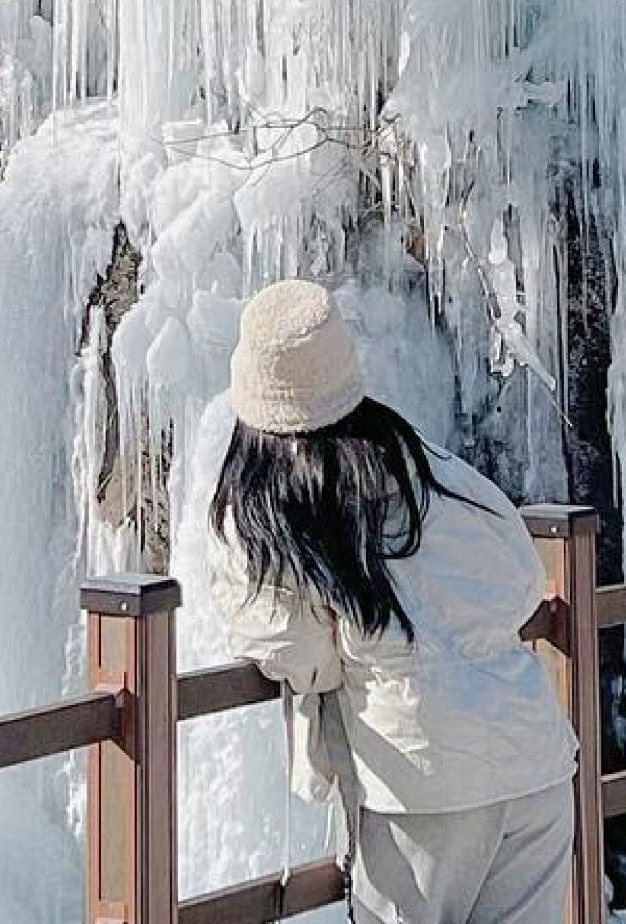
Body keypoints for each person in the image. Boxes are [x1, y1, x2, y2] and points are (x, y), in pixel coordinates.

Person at [208, 279, 580, 924]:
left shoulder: (270, 507)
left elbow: (292, 654)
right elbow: (522, 579)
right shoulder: (428, 466)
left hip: (424, 780)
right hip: (534, 756)